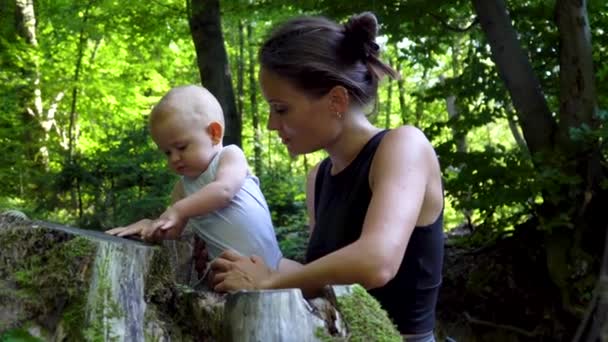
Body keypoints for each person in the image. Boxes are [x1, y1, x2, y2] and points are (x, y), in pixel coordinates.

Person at [209, 12, 445, 340]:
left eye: (280, 108)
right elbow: (320, 280)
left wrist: (270, 281)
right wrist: (249, 264)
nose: (271, 124)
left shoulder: (404, 146)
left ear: (336, 100)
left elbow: (377, 262)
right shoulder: (317, 177)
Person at [106, 85, 283, 272]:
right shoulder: (181, 190)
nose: (174, 158)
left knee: (307, 286)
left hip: (276, 264)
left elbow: (224, 190)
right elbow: (174, 230)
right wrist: (152, 226)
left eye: (181, 147)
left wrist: (179, 210)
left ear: (214, 133)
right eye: (167, 152)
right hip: (233, 273)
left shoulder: (229, 156)